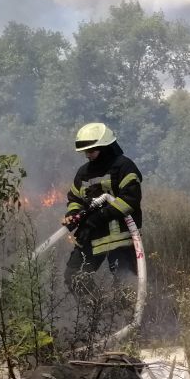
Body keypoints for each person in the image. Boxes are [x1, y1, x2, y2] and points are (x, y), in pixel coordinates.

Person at [63, 122, 143, 292]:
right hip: (92, 237)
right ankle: (97, 313)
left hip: (121, 239)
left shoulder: (123, 167)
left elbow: (129, 200)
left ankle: (131, 317)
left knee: (126, 287)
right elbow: (75, 198)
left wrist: (98, 217)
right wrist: (73, 213)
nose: (87, 155)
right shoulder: (83, 172)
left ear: (105, 147)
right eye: (85, 151)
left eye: (91, 151)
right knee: (74, 277)